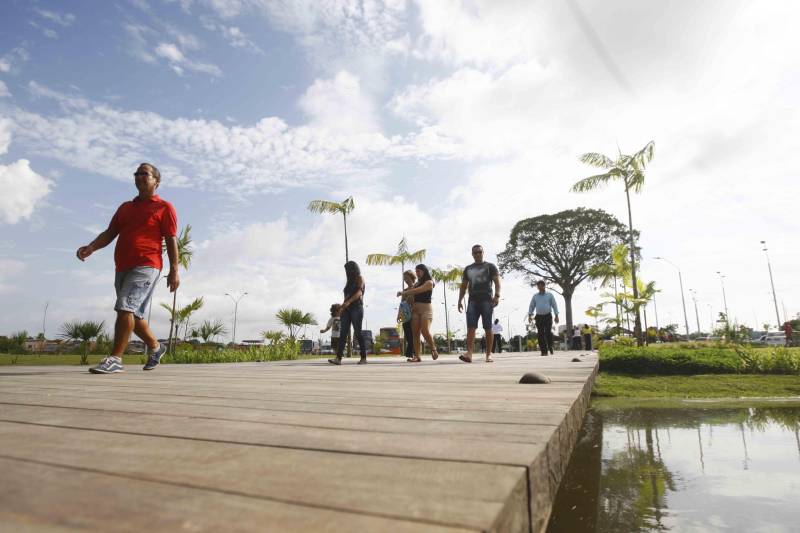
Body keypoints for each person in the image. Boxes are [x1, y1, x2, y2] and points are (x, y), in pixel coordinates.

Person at [76, 163, 178, 374]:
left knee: (125, 308)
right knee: (134, 315)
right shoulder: (125, 208)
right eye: (137, 173)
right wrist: (92, 247)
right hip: (123, 265)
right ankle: (157, 347)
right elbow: (111, 232)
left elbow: (171, 238)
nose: (139, 176)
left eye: (145, 174)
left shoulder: (164, 208)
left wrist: (174, 269)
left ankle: (115, 359)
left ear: (156, 181)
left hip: (147, 265)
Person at [457, 244, 501, 363]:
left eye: (479, 252)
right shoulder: (468, 269)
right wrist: (460, 300)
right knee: (471, 327)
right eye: (475, 252)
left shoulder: (490, 266)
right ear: (472, 254)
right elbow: (463, 286)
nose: (477, 254)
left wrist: (497, 296)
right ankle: (469, 353)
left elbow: (497, 282)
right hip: (472, 301)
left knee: (488, 327)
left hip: (487, 300)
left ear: (483, 252)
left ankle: (489, 354)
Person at [397, 264, 439, 362]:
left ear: (424, 271)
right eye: (416, 271)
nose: (417, 273)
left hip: (426, 310)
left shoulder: (429, 282)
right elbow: (410, 294)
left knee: (425, 330)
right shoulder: (416, 284)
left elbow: (418, 290)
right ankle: (417, 356)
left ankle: (433, 348)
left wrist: (403, 293)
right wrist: (402, 311)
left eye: (419, 271)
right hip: (415, 311)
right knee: (415, 334)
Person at [329, 261, 367, 365]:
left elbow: (359, 292)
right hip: (346, 309)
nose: (346, 272)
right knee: (343, 333)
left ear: (353, 269)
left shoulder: (360, 278)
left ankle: (363, 358)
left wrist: (349, 302)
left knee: (358, 332)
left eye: (347, 269)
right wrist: (342, 307)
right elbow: (346, 297)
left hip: (356, 308)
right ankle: (338, 358)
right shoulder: (349, 281)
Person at [527, 280, 559, 356]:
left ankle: (550, 346)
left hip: (548, 316)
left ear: (544, 286)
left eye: (541, 286)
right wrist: (530, 315)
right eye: (538, 286)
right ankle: (544, 351)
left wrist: (556, 315)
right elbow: (531, 306)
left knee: (548, 332)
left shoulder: (550, 295)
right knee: (540, 334)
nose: (540, 287)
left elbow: (554, 305)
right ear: (537, 287)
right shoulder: (535, 296)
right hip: (539, 317)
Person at [396, 270, 416, 361]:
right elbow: (401, 304)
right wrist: (399, 315)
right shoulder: (405, 291)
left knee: (414, 335)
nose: (405, 280)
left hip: (415, 314)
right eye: (404, 278)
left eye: (407, 278)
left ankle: (415, 354)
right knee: (408, 335)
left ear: (412, 277)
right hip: (406, 315)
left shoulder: (417, 287)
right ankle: (411, 354)